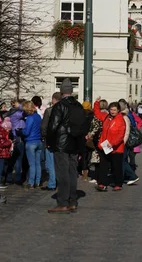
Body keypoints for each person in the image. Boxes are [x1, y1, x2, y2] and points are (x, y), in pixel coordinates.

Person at [47, 78, 86, 213]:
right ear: (72, 91)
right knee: (72, 172)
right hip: (75, 143)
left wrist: (49, 142)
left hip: (61, 144)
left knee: (62, 173)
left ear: (62, 91)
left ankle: (63, 202)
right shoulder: (79, 106)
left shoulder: (59, 106)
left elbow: (52, 126)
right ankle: (73, 201)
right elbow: (84, 126)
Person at [94, 98, 126, 192]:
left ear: (118, 110)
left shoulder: (121, 120)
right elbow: (97, 113)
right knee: (103, 165)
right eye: (111, 109)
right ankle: (102, 183)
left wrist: (113, 143)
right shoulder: (106, 117)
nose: (112, 111)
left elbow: (121, 135)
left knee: (116, 167)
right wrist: (96, 103)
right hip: (105, 146)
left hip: (116, 148)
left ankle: (118, 183)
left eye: (114, 110)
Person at [41, 92, 61, 191]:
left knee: (50, 163)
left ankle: (52, 184)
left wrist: (44, 137)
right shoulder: (65, 110)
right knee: (59, 163)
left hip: (50, 140)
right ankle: (59, 182)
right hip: (62, 141)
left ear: (53, 99)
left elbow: (44, 127)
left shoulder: (49, 111)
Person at [22, 100, 43, 189]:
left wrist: (21, 131)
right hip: (39, 141)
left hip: (31, 142)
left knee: (32, 164)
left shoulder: (30, 118)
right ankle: (38, 182)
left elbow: (26, 132)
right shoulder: (38, 116)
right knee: (38, 163)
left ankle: (31, 183)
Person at [119, 99, 139, 186]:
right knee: (123, 160)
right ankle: (124, 176)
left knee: (122, 160)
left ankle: (131, 176)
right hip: (125, 142)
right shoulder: (128, 114)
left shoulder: (125, 116)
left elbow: (127, 131)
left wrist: (123, 142)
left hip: (124, 142)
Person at [5, 98, 26, 184]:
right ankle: (16, 178)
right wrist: (20, 106)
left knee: (12, 159)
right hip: (17, 137)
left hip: (14, 137)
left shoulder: (11, 112)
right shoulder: (17, 113)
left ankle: (9, 177)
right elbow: (26, 110)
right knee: (17, 159)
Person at [0, 116, 13, 183]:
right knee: (0, 167)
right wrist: (10, 142)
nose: (8, 131)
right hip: (1, 153)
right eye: (8, 129)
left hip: (1, 152)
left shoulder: (1, 132)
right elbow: (2, 143)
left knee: (0, 167)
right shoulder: (1, 133)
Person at [79, 101, 94, 181]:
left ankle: (84, 171)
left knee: (83, 155)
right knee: (89, 153)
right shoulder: (92, 115)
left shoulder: (79, 115)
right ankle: (86, 167)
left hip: (81, 137)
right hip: (90, 137)